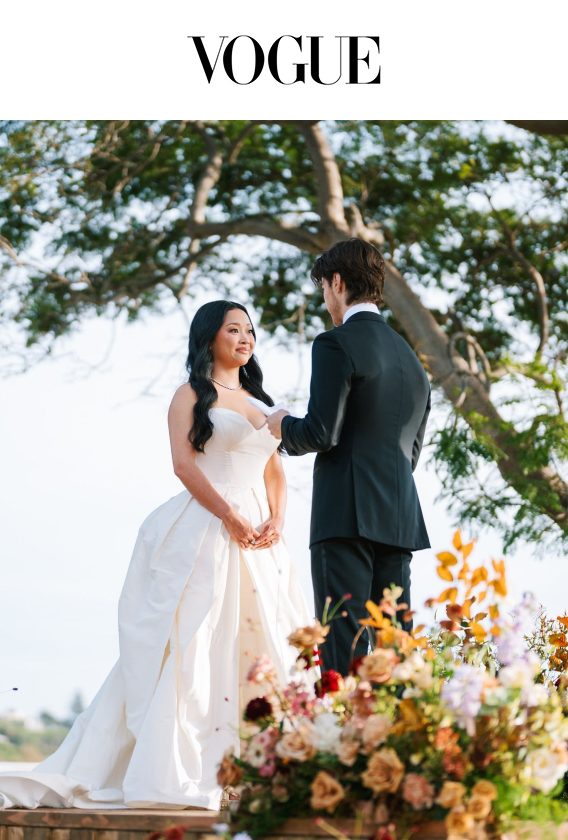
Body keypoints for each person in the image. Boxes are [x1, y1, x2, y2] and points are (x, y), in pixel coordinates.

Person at [0, 300, 313, 811]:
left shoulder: (262, 403)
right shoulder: (190, 395)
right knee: (195, 637)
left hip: (259, 538)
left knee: (261, 642)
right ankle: (180, 765)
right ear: (209, 337)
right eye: (233, 329)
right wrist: (228, 516)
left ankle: (256, 768)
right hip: (209, 526)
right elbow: (183, 466)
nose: (245, 338)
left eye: (249, 330)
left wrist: (276, 520)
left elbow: (274, 471)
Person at [267, 238, 431, 676]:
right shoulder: (412, 361)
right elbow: (411, 452)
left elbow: (320, 433)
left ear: (337, 282)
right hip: (399, 520)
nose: (325, 299)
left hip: (344, 518)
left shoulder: (335, 344)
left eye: (323, 288)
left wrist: (281, 424)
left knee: (343, 649)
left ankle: (343, 723)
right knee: (394, 654)